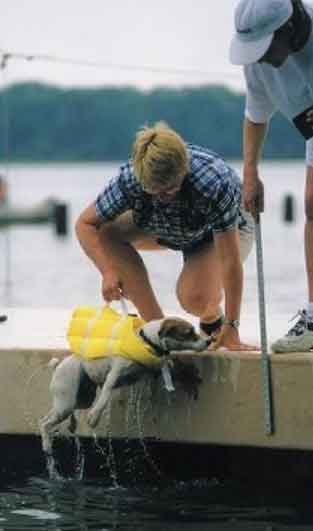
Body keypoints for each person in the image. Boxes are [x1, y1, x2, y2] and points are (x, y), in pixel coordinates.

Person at [76, 122, 256, 351]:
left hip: (222, 230)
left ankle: (212, 316)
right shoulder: (130, 180)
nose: (163, 198)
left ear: (184, 170)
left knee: (194, 298)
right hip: (169, 226)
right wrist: (107, 271)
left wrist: (232, 328)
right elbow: (85, 224)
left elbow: (230, 261)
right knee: (106, 232)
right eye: (154, 191)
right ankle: (155, 329)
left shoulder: (213, 183)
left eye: (170, 190)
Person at [230, 0, 313, 352]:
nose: (260, 57)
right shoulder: (258, 64)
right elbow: (256, 114)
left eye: (266, 47)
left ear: (290, 27)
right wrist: (250, 172)